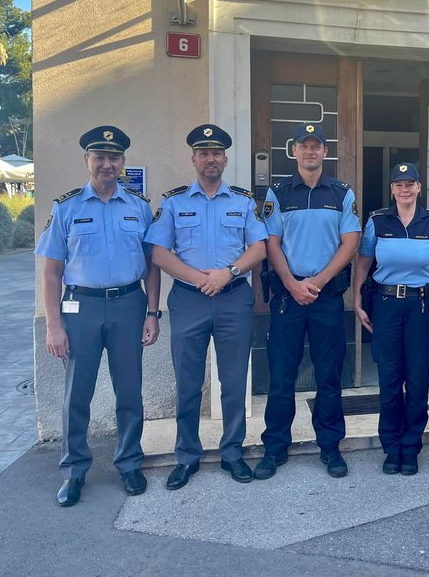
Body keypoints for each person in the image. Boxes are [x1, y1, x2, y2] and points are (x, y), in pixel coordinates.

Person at [36, 126, 161, 507]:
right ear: (87, 160)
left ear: (123, 162)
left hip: (128, 305)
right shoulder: (67, 207)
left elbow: (152, 266)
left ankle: (129, 463)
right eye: (100, 157)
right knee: (77, 394)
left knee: (129, 390)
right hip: (80, 309)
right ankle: (74, 470)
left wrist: (152, 312)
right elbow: (52, 271)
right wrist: (53, 324)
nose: (107, 164)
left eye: (115, 158)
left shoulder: (139, 206)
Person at [144, 124, 268, 489]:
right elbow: (158, 253)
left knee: (233, 381)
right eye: (203, 152)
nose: (210, 159)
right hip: (188, 301)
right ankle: (187, 456)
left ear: (225, 159)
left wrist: (227, 274)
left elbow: (258, 249)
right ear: (193, 158)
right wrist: (201, 278)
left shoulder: (243, 202)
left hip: (233, 299)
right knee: (188, 382)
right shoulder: (174, 202)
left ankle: (232, 453)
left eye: (216, 153)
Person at [256, 122, 361, 479]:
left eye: (317, 146)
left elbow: (350, 242)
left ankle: (331, 447)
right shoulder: (279, 192)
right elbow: (271, 243)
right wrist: (292, 282)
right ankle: (274, 448)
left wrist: (317, 281)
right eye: (305, 146)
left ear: (325, 152)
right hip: (288, 297)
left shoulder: (342, 193)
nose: (311, 151)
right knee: (281, 376)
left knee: (329, 376)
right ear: (295, 151)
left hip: (326, 296)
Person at [353, 163, 429, 476]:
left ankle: (411, 448)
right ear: (392, 189)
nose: (405, 189)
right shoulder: (377, 220)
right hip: (385, 305)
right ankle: (391, 447)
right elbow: (363, 262)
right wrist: (356, 298)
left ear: (419, 188)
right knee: (390, 378)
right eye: (399, 184)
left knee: (418, 378)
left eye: (411, 184)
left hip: (422, 306)